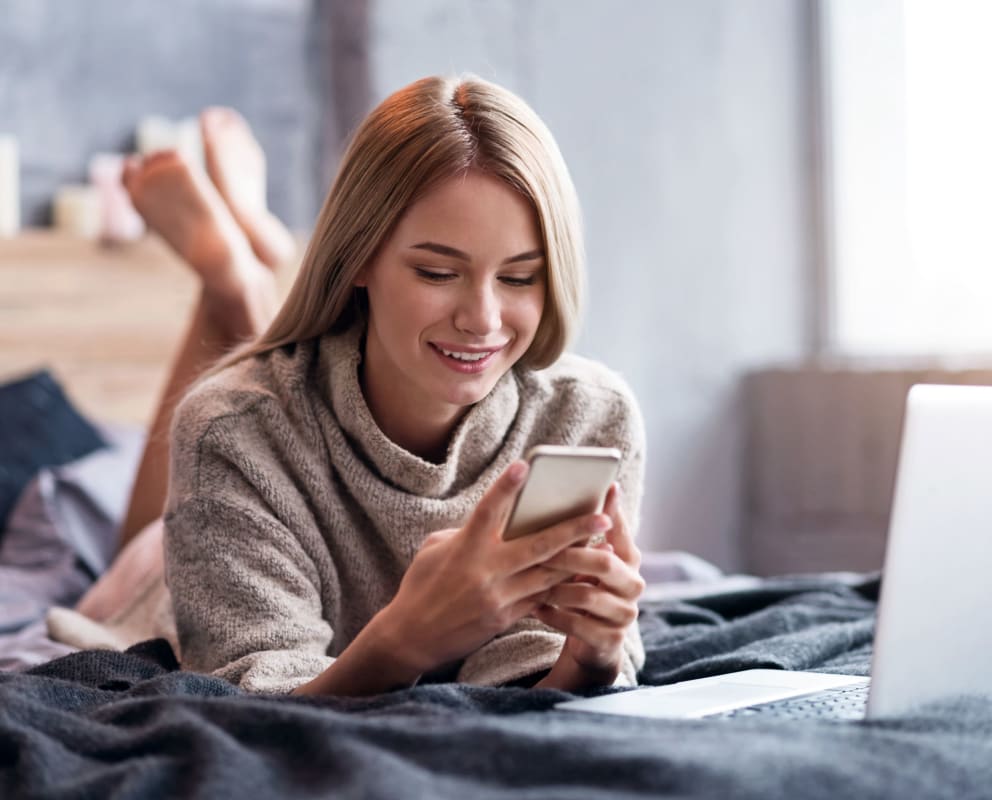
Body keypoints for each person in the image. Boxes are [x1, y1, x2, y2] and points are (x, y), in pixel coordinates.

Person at [62, 76, 647, 696]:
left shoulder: (590, 416)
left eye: (521, 278)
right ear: (359, 255)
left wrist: (593, 653)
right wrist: (406, 638)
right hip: (168, 573)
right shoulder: (229, 433)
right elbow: (254, 696)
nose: (483, 319)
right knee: (152, 529)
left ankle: (244, 264)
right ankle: (230, 281)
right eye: (437, 271)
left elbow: (538, 676)